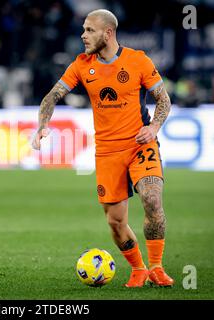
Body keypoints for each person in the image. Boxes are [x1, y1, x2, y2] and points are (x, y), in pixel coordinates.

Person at [32, 9, 173, 288]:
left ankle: (157, 267)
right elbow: (53, 95)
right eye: (83, 30)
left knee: (152, 199)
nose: (83, 35)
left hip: (139, 145)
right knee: (115, 221)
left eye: (89, 30)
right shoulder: (82, 65)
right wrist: (42, 125)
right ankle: (139, 269)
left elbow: (164, 100)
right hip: (107, 152)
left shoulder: (138, 61)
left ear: (107, 33)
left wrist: (154, 128)